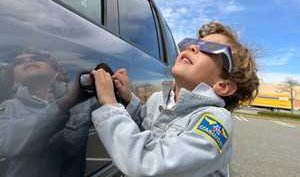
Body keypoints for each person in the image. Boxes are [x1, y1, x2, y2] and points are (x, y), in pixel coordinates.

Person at [91, 21, 259, 177]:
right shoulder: (158, 99)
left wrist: (110, 105)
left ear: (222, 85)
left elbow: (148, 164)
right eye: (195, 42)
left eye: (210, 47)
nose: (193, 47)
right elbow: (145, 125)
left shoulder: (214, 120)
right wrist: (128, 98)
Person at [0, 49, 95, 177]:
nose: (28, 61)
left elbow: (115, 109)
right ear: (13, 80)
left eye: (37, 58)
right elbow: (7, 143)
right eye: (19, 62)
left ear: (55, 71)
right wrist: (64, 104)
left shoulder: (81, 101)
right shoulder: (8, 107)